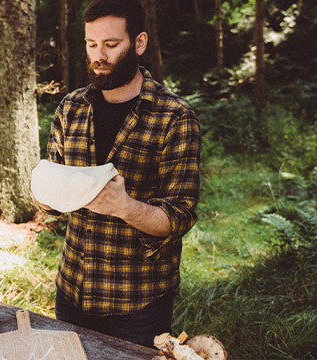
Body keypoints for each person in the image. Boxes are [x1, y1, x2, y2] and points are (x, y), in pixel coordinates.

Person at [32, 0, 201, 348]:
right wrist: (43, 194)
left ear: (138, 43)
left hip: (138, 307)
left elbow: (180, 216)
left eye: (111, 45)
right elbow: (51, 199)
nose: (99, 55)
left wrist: (125, 206)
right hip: (71, 293)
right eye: (92, 44)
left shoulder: (175, 117)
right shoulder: (70, 108)